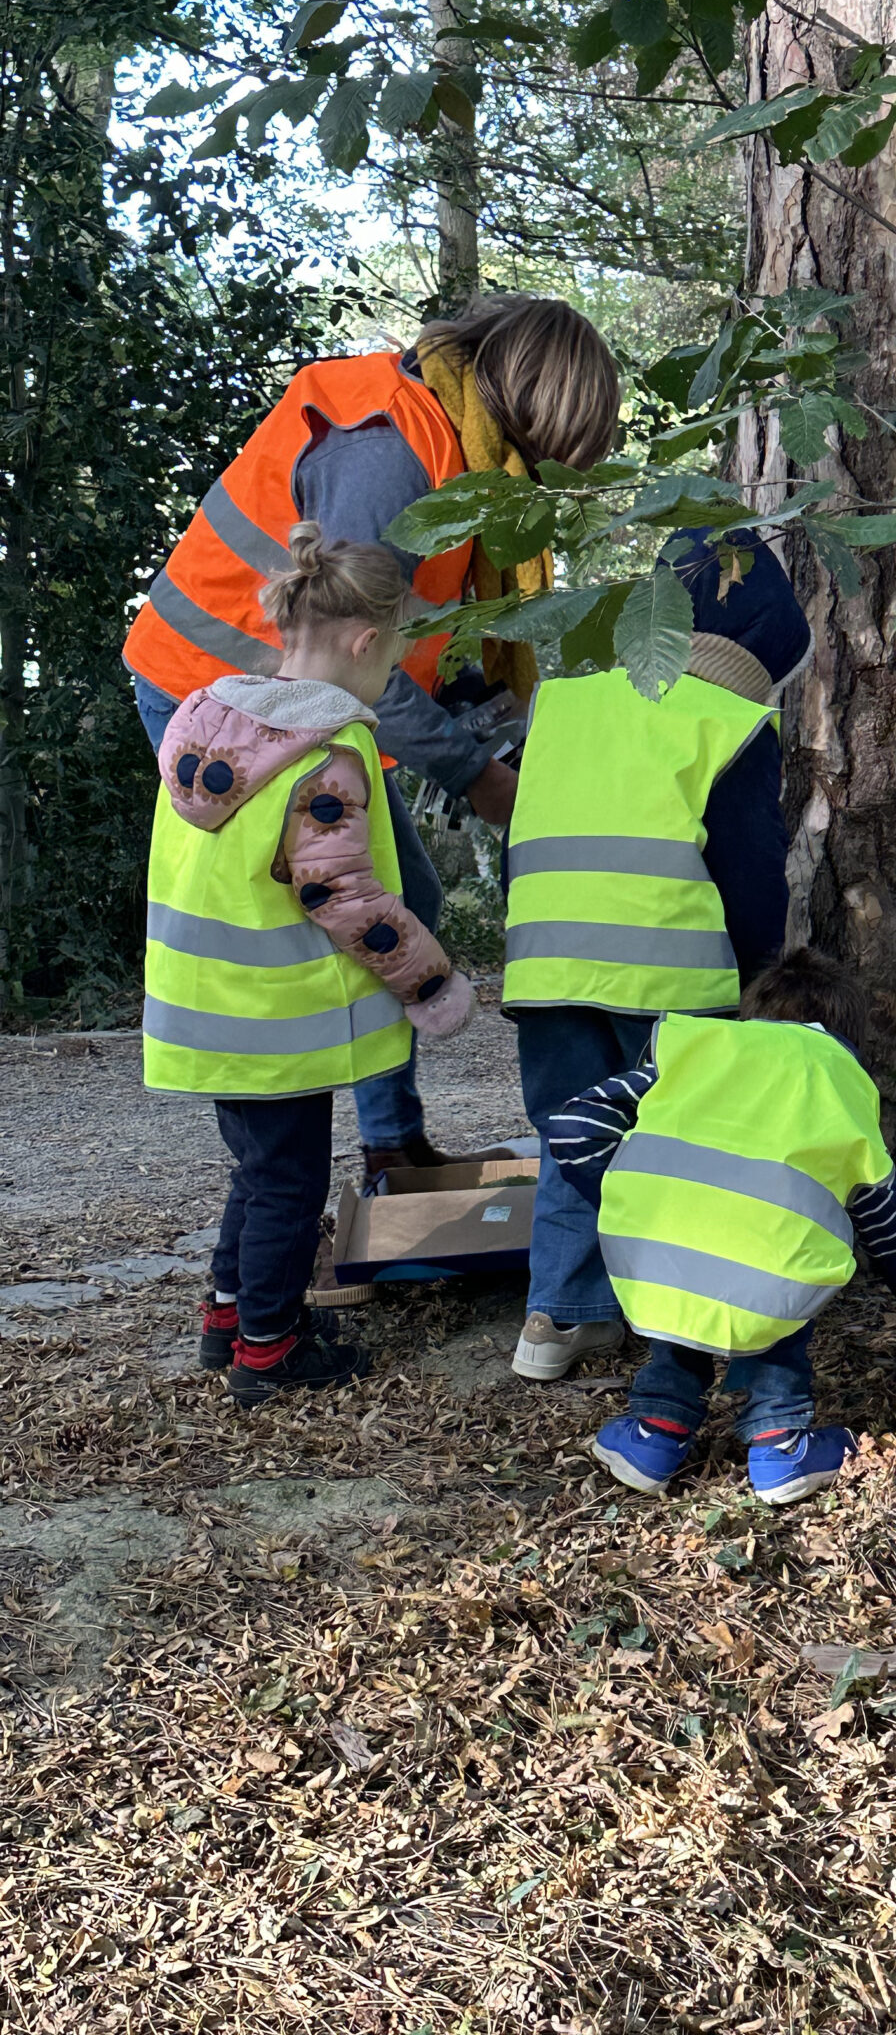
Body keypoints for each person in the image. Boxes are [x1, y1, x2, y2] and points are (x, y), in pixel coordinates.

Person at [125, 293, 620, 1184]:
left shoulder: (463, 456)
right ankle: (279, 1181)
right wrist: (480, 777)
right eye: (556, 456)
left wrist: (509, 743)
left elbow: (428, 636)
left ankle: (385, 1148)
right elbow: (353, 648)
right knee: (303, 927)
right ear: (538, 406)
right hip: (208, 693)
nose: (549, 479)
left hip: (307, 707)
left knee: (400, 899)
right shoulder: (391, 451)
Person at [143, 528, 476, 1404]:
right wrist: (431, 984)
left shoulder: (209, 719)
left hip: (206, 1003)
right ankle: (270, 1350)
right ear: (367, 643)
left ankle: (232, 1318)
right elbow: (344, 899)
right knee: (290, 1182)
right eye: (394, 656)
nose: (388, 676)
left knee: (259, 1170)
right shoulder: (325, 754)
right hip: (275, 1015)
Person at [504, 527, 814, 1384]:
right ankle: (687, 1317)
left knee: (572, 1135)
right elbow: (750, 871)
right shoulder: (734, 722)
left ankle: (556, 1319)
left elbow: (521, 842)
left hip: (548, 968)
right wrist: (761, 975)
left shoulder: (562, 705)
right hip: (674, 972)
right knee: (683, 1143)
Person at [547, 946, 896, 1505]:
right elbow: (891, 1224)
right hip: (768, 1275)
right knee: (787, 1241)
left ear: (750, 1018)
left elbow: (574, 1126)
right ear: (841, 1035)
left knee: (698, 1273)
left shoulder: (696, 1051)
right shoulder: (835, 1079)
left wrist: (631, 1196)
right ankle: (779, 1444)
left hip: (657, 1257)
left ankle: (655, 1435)